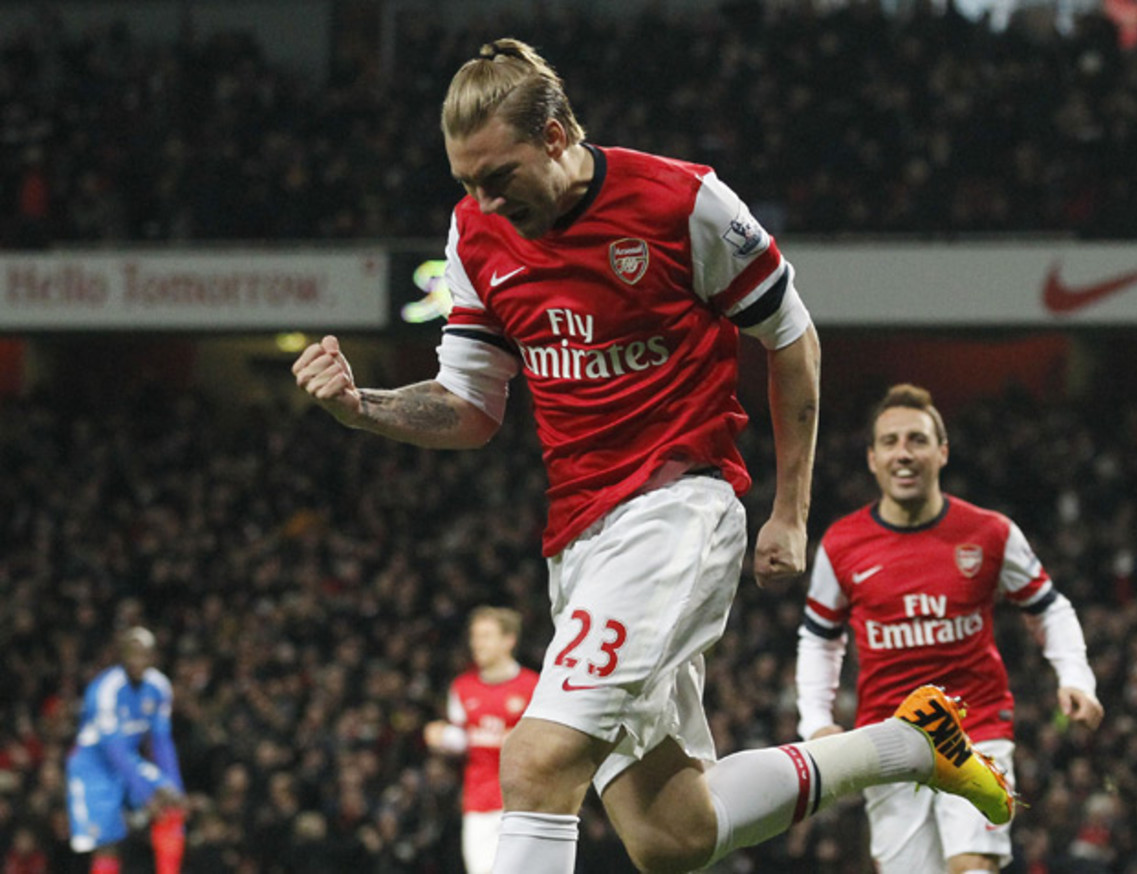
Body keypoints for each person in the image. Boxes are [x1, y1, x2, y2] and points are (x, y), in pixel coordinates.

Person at [292, 38, 1014, 874]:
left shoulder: (682, 203)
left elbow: (793, 338)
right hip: (580, 539)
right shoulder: (473, 238)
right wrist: (360, 408)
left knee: (532, 760)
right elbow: (470, 408)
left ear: (557, 135)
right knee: (673, 835)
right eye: (465, 184)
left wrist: (789, 511)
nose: (484, 200)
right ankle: (907, 745)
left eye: (499, 177)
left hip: (677, 512)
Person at [796, 383, 1105, 874]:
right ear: (872, 458)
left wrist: (1076, 678)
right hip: (886, 736)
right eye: (891, 441)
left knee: (971, 865)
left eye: (917, 440)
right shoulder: (841, 544)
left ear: (941, 452)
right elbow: (819, 636)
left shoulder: (990, 533)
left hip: (976, 726)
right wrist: (814, 720)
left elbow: (1047, 607)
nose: (904, 452)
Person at [425, 606, 540, 874]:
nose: (477, 643)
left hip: (526, 802)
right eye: (475, 636)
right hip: (479, 802)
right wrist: (443, 737)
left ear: (508, 640)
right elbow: (465, 740)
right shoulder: (462, 688)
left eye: (486, 636)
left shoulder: (533, 687)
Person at [66, 627, 186, 874]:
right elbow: (113, 749)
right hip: (94, 766)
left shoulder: (159, 687)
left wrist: (174, 785)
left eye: (143, 654)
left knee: (171, 802)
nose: (136, 661)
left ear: (153, 657)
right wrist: (144, 793)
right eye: (131, 654)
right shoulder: (106, 689)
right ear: (122, 656)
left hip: (127, 761)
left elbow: (161, 741)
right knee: (107, 843)